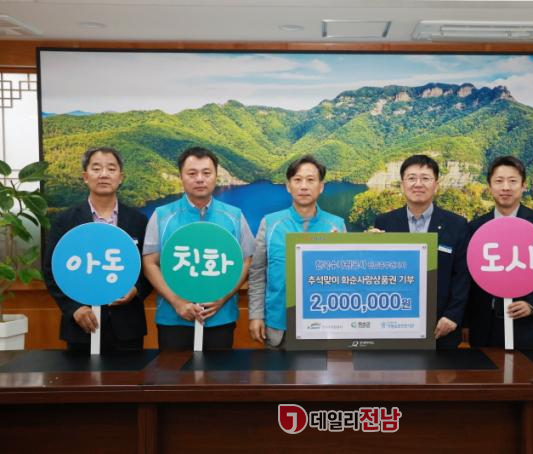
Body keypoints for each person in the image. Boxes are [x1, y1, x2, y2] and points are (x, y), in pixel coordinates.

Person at [142, 147, 254, 350]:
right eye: (192, 173)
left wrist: (223, 298)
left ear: (216, 176)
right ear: (181, 177)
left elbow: (247, 260)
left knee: (218, 370)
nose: (200, 179)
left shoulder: (234, 216)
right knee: (174, 370)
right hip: (174, 318)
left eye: (206, 173)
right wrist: (177, 302)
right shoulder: (162, 216)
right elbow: (150, 262)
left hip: (220, 317)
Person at [43, 146, 151, 352]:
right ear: (85, 176)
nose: (104, 174)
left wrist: (136, 290)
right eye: (96, 168)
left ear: (121, 177)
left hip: (127, 327)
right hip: (81, 325)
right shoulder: (65, 221)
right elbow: (51, 270)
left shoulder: (138, 220)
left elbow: (149, 267)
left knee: (128, 374)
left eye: (111, 169)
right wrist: (74, 309)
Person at [373, 154, 471, 349]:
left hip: (441, 325)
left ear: (436, 185)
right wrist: (368, 248)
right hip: (393, 322)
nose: (418, 184)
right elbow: (376, 271)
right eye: (411, 178)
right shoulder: (384, 222)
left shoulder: (457, 224)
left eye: (425, 178)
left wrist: (452, 315)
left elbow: (463, 275)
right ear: (402, 184)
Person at [248, 155, 346, 349]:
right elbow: (257, 273)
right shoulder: (270, 223)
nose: (304, 186)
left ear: (321, 186)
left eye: (310, 180)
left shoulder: (336, 225)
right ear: (288, 186)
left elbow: (346, 276)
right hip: (278, 326)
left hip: (323, 326)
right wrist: (256, 315)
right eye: (298, 180)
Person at [466, 155, 533, 349]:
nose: (506, 187)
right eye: (499, 181)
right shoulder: (475, 228)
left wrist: (532, 304)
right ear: (490, 186)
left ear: (523, 185)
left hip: (527, 326)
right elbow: (467, 277)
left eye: (512, 181)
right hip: (485, 328)